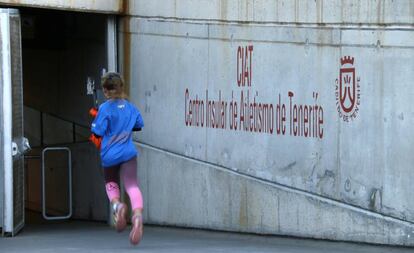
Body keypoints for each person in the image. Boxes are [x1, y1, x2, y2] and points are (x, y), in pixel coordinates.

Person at [89, 72, 144, 245]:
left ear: (105, 90)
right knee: (132, 185)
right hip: (128, 153)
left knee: (111, 184)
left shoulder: (105, 108)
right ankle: (137, 215)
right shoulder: (130, 107)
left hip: (110, 155)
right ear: (121, 87)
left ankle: (117, 206)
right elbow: (139, 124)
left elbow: (97, 131)